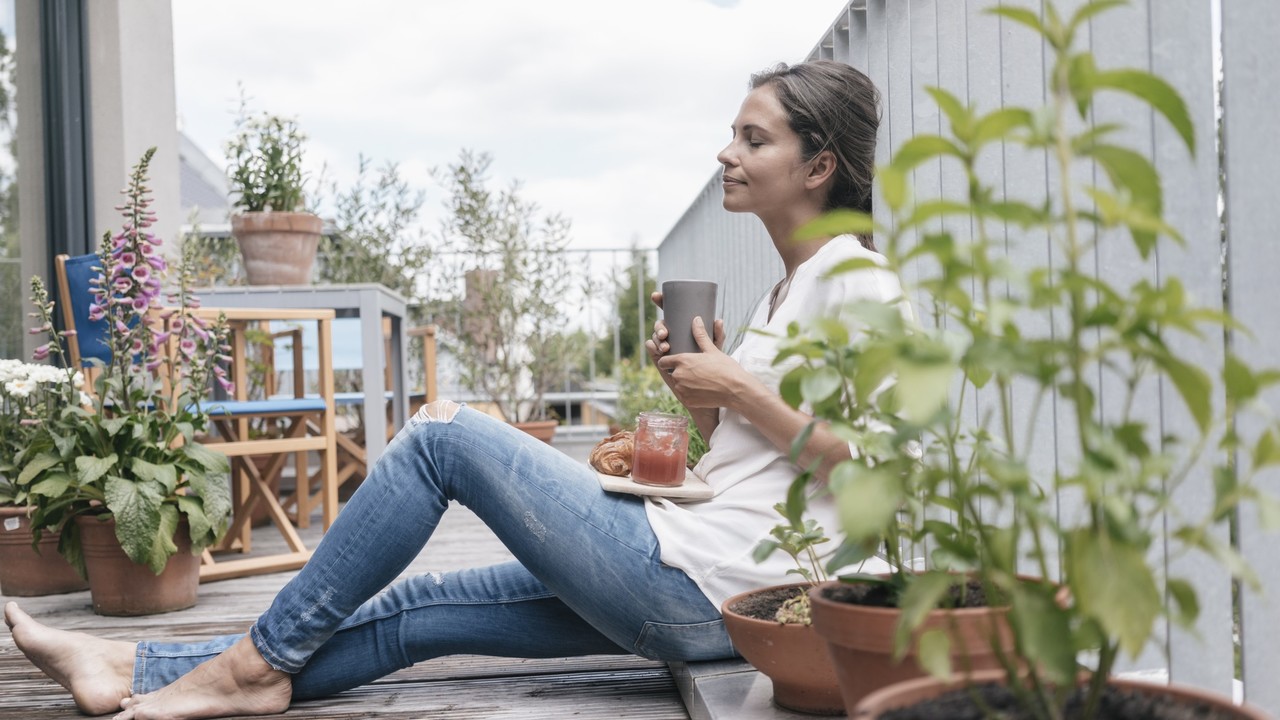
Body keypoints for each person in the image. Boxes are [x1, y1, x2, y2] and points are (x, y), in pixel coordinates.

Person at [4, 59, 905, 720]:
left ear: (818, 166)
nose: (727, 152)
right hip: (698, 579)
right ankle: (136, 666)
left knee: (443, 439)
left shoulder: (858, 284)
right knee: (413, 614)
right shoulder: (793, 289)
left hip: (705, 584)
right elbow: (753, 465)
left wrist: (738, 389)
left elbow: (878, 476)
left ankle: (248, 665)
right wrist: (704, 397)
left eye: (754, 138)